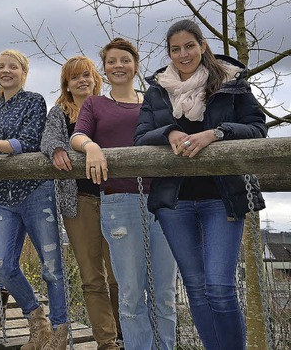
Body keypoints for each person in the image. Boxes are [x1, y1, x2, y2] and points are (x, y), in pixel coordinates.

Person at [134, 19, 267, 350]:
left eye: (189, 46)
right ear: (169, 53)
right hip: (175, 202)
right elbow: (140, 137)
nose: (183, 54)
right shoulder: (157, 91)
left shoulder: (231, 83)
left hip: (222, 198)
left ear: (202, 46)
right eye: (175, 49)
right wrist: (169, 132)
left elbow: (257, 128)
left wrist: (217, 133)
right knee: (194, 286)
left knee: (220, 287)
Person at [70, 38, 177, 350]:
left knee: (165, 294)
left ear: (136, 64)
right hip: (120, 202)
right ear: (104, 67)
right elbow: (77, 135)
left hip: (162, 204)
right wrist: (91, 146)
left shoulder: (155, 101)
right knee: (130, 294)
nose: (119, 66)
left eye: (125, 60)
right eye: (112, 61)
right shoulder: (95, 104)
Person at [0, 50, 68, 349]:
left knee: (51, 267)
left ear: (24, 72)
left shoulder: (34, 101)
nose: (5, 71)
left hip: (36, 192)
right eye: (0, 67)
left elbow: (26, 143)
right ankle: (37, 321)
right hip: (2, 197)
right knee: (1, 265)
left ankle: (60, 334)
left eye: (13, 67)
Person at [41, 56, 122, 350]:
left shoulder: (108, 106)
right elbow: (48, 139)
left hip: (116, 197)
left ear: (95, 78)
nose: (82, 81)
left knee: (120, 273)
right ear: (67, 83)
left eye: (86, 75)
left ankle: (126, 332)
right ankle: (107, 342)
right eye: (75, 77)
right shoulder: (59, 113)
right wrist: (58, 148)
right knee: (92, 276)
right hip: (79, 200)